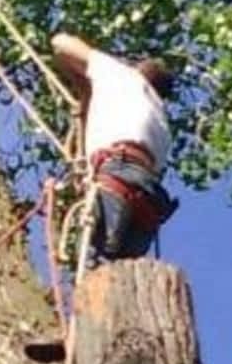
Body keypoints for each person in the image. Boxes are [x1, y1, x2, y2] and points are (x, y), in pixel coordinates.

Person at [49, 31, 178, 262]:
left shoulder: (123, 75)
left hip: (117, 172)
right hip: (148, 198)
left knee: (93, 259)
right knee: (116, 271)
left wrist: (83, 83)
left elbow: (60, 43)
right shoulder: (162, 123)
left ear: (140, 70)